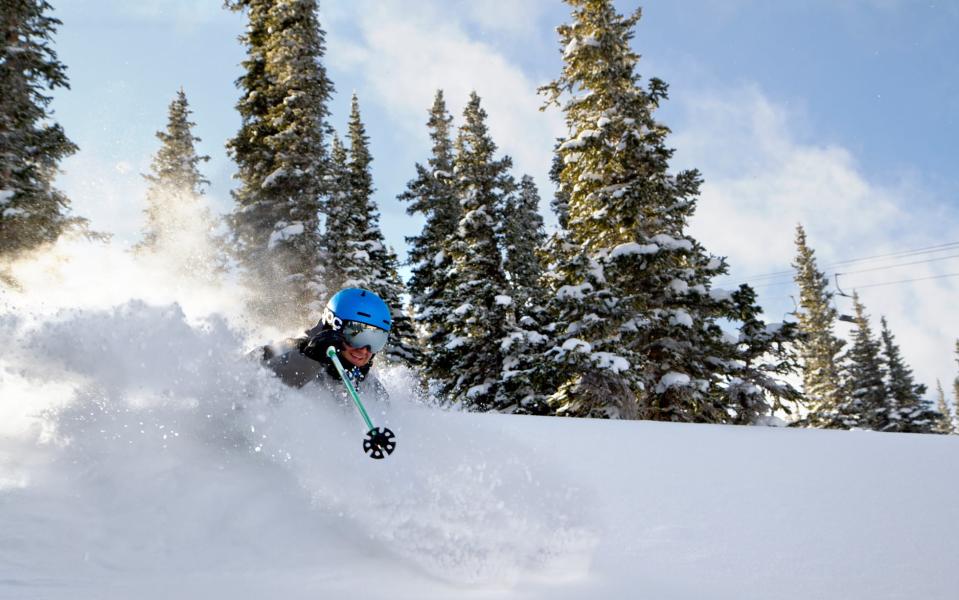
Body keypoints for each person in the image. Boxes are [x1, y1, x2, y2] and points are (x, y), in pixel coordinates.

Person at [259, 287, 392, 401]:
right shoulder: (283, 350)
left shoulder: (372, 388)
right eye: (357, 336)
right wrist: (309, 360)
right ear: (333, 326)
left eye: (376, 341)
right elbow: (246, 391)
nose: (364, 351)